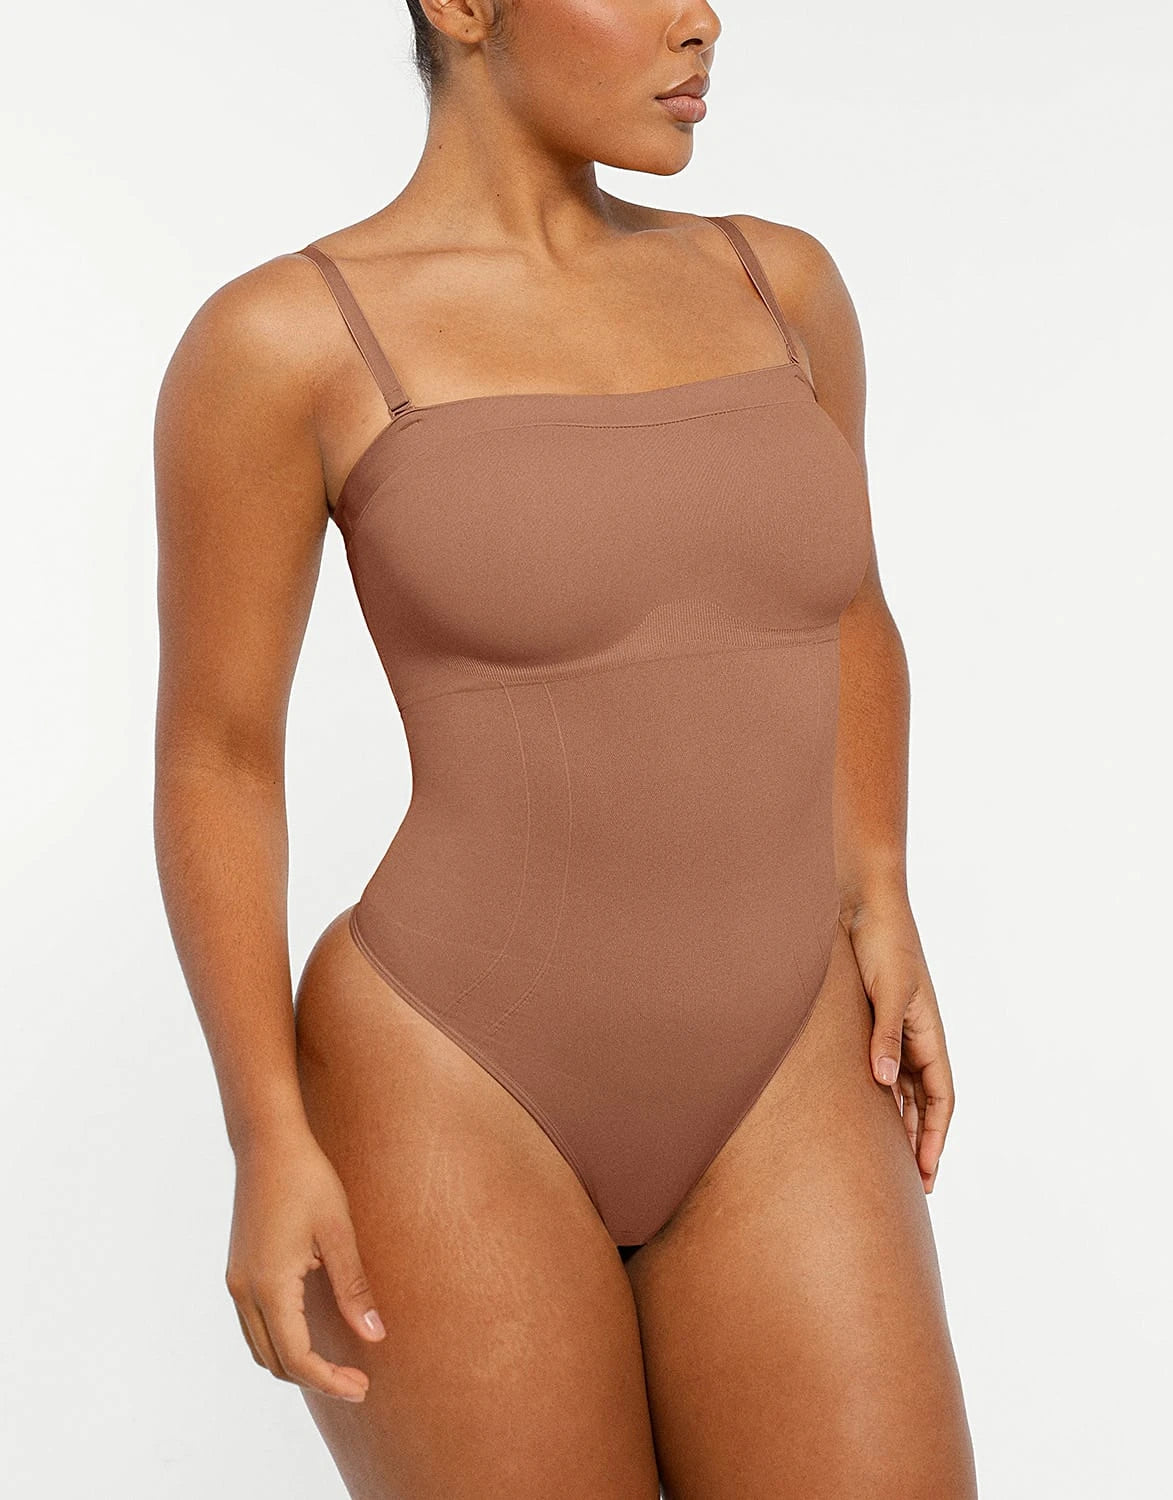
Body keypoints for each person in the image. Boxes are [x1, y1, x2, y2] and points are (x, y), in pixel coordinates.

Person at [153, 1, 977, 1494]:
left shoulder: (779, 285)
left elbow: (849, 603)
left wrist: (879, 883)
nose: (701, 20)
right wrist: (264, 1137)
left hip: (790, 1052)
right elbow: (221, 754)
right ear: (463, 4)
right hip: (448, 1078)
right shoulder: (283, 341)